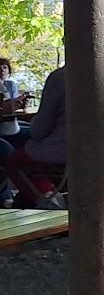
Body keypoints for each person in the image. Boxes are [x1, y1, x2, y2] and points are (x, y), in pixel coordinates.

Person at [0, 65, 66, 206]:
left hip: (67, 151)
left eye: (4, 67)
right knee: (8, 150)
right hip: (82, 152)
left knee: (18, 150)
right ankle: (46, 195)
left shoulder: (59, 77)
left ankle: (44, 195)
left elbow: (40, 129)